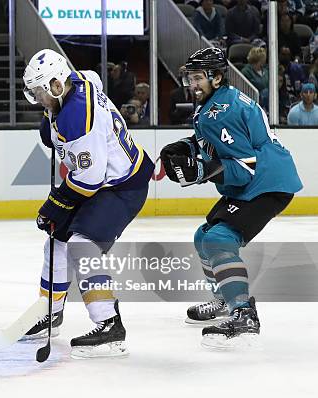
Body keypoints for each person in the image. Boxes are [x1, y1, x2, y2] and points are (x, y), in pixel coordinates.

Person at [159, 48, 302, 348]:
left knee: (219, 240)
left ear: (217, 77)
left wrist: (200, 172)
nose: (192, 83)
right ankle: (224, 299)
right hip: (260, 179)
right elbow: (217, 146)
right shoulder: (216, 102)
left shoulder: (219, 111)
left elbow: (244, 165)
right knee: (204, 236)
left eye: (198, 77)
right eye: (190, 77)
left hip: (266, 183)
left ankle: (244, 313)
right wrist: (188, 146)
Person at [20, 49, 154, 358]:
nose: (37, 98)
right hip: (105, 182)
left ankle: (110, 325)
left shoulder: (79, 114)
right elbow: (91, 79)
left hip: (121, 186)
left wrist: (58, 202)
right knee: (56, 243)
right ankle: (49, 310)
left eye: (40, 92)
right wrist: (51, 120)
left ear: (56, 85)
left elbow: (90, 177)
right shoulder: (76, 83)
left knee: (82, 246)